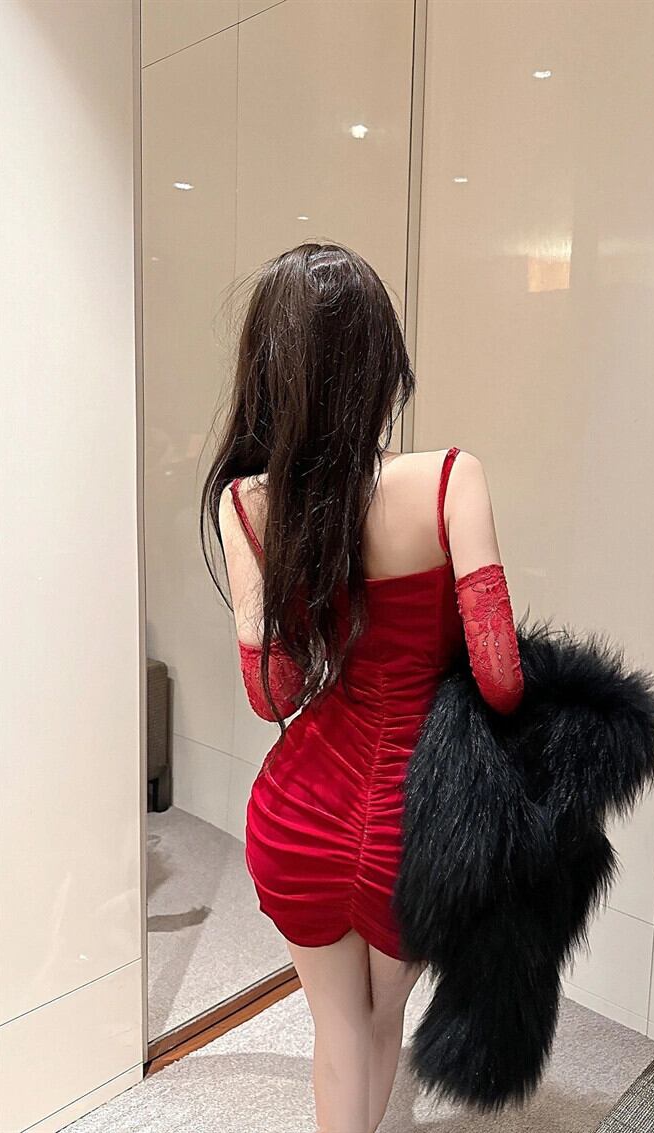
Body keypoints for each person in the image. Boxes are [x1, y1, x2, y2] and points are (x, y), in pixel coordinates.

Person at [201, 242, 524, 1133]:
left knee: (338, 1026)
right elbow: (502, 680)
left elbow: (273, 691)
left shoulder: (247, 502)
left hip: (300, 814)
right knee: (382, 1019)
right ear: (382, 361)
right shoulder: (451, 478)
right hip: (417, 828)